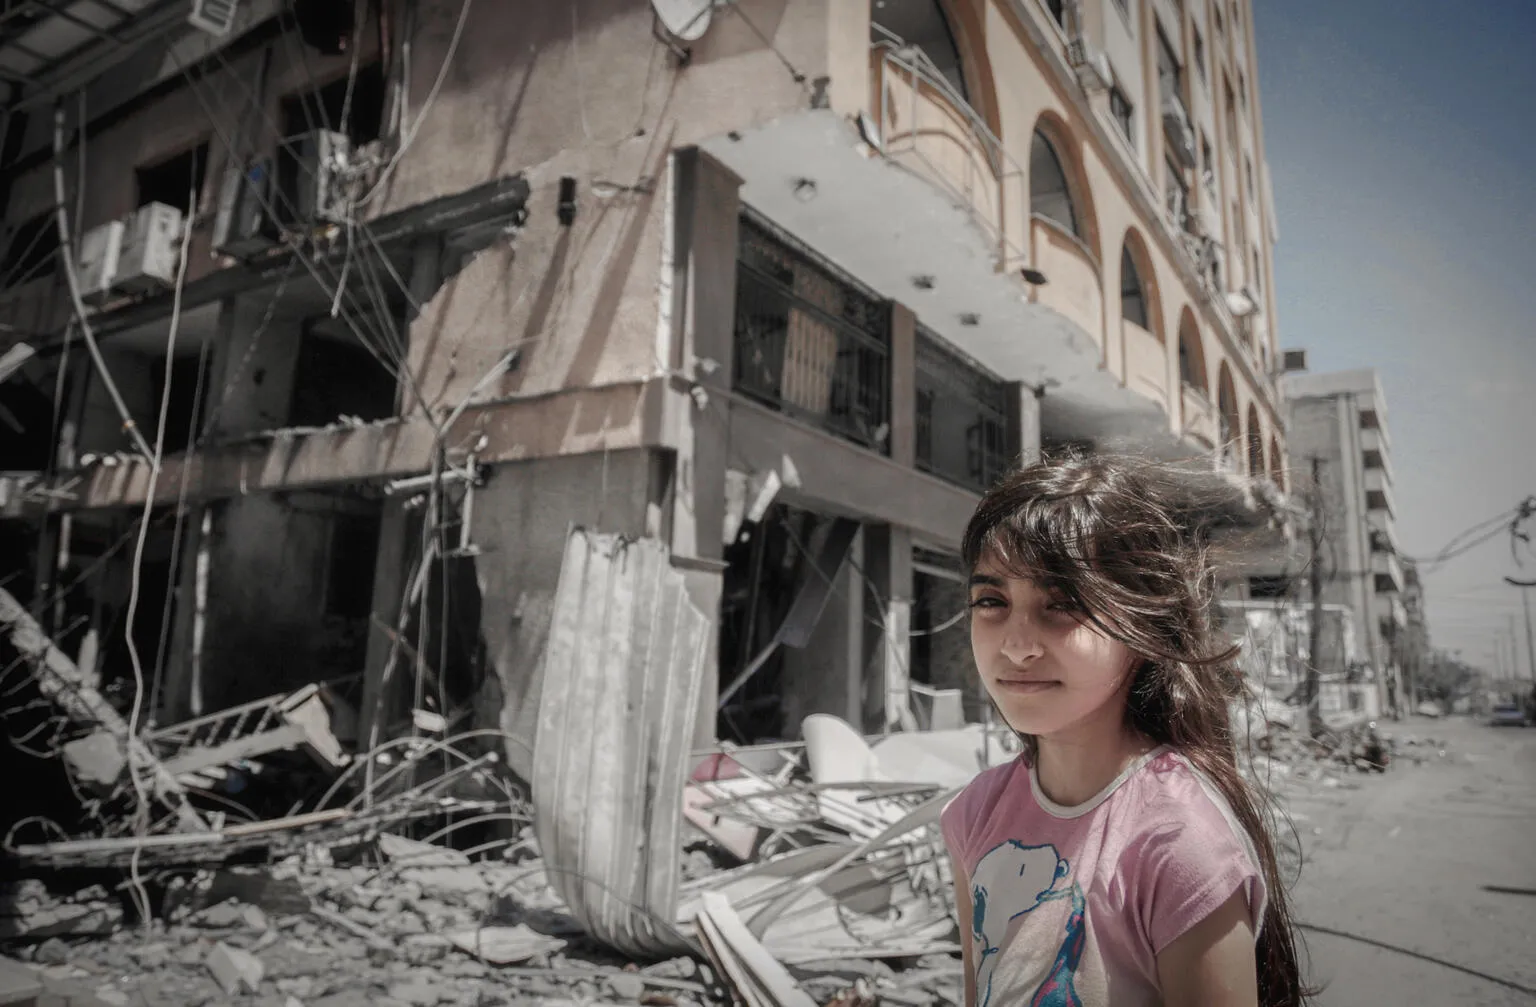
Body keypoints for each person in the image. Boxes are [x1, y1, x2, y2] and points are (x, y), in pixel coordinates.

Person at [941, 454, 1311, 1007]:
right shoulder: (974, 813)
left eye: (1062, 604)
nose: (1016, 646)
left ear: (1141, 625)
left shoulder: (1179, 843)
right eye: (992, 601)